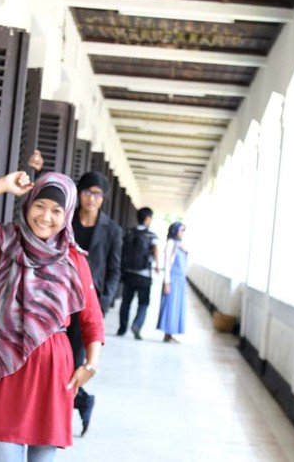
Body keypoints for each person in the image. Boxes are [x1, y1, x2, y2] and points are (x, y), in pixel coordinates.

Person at [0, 170, 104, 462]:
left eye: (56, 210)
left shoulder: (73, 259)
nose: (45, 217)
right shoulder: (3, 243)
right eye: (39, 205)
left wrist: (90, 366)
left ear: (67, 214)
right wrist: (4, 184)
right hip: (8, 363)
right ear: (27, 204)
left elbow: (92, 318)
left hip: (54, 368)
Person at [28, 155, 121, 436]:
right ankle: (79, 401)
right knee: (49, 360)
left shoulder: (112, 230)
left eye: (97, 194)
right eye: (87, 192)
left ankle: (67, 409)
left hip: (86, 307)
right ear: (79, 194)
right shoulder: (65, 219)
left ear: (103, 199)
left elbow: (115, 269)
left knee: (74, 363)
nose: (92, 198)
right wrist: (39, 172)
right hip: (56, 302)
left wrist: (102, 302)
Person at [118, 207, 160, 340]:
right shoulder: (151, 235)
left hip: (128, 273)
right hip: (144, 275)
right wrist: (158, 266)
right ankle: (137, 325)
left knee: (126, 302)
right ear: (147, 218)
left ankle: (122, 328)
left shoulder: (128, 232)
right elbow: (156, 250)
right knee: (143, 303)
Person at [158, 221, 188, 343]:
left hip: (180, 281)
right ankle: (167, 333)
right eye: (181, 230)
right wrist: (167, 282)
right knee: (170, 306)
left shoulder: (180, 244)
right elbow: (167, 264)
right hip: (173, 280)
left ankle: (171, 333)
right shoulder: (171, 243)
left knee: (176, 307)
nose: (182, 233)